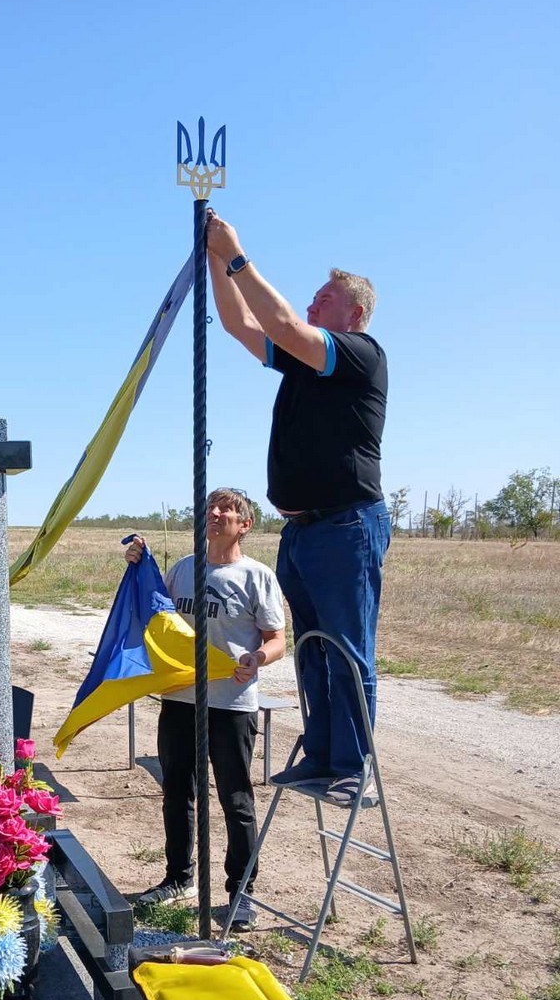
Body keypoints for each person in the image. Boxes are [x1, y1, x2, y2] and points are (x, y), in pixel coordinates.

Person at [206, 212, 389, 805]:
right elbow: (239, 323)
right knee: (312, 649)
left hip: (346, 525)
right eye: (312, 296)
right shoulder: (303, 361)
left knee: (347, 650)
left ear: (354, 314)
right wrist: (212, 258)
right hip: (305, 532)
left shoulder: (359, 353)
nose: (312, 303)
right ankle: (321, 756)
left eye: (325, 297)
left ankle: (352, 769)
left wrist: (236, 254)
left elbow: (280, 320)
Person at [127, 489, 286, 929]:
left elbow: (276, 638)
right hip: (179, 700)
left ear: (244, 525)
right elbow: (155, 614)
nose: (215, 514)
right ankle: (177, 877)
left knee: (236, 800)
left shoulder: (256, 577)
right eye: (210, 508)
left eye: (226, 510)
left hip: (232, 704)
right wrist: (138, 566)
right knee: (177, 793)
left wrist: (258, 659)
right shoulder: (182, 571)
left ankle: (242, 892)